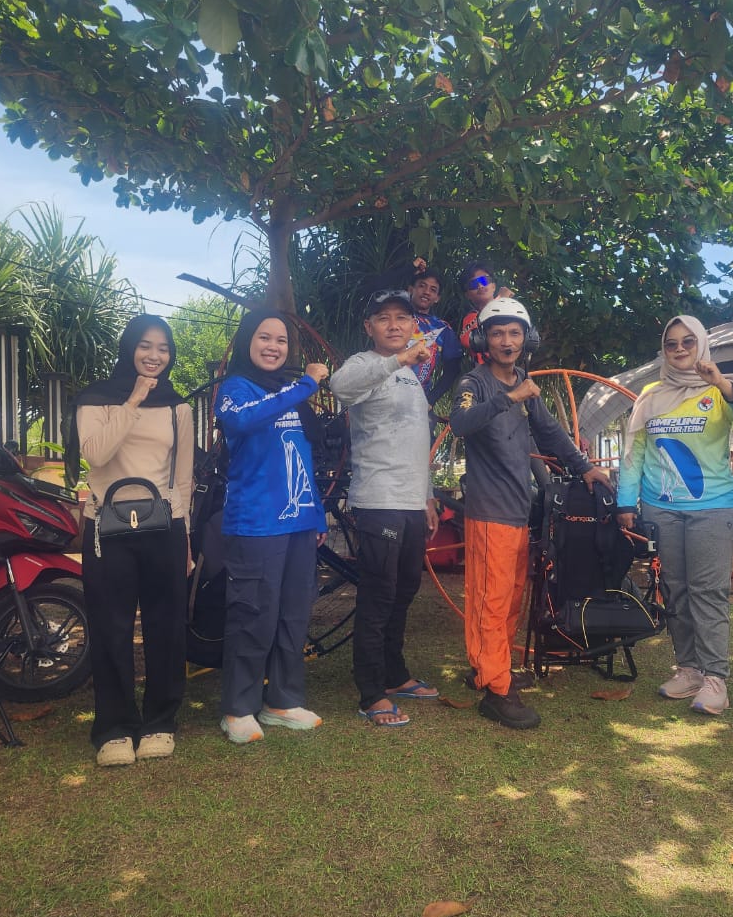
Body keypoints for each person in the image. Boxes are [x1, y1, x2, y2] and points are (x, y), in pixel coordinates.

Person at [449, 297, 609, 729]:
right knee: (491, 600)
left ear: (527, 339)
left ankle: (490, 667)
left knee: (509, 598)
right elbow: (460, 424)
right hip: (489, 512)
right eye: (497, 333)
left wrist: (585, 467)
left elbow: (551, 433)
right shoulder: (474, 383)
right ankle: (496, 690)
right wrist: (509, 398)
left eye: (514, 333)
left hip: (518, 511)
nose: (507, 341)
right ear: (483, 340)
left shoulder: (524, 381)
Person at [616, 315, 733, 715]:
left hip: (710, 508)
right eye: (671, 344)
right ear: (663, 350)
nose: (679, 349)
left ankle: (716, 678)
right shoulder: (651, 395)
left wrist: (722, 384)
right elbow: (634, 453)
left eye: (687, 342)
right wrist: (626, 503)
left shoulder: (723, 387)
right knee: (675, 591)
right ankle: (689, 669)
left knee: (708, 592)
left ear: (701, 345)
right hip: (661, 509)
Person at [69, 314, 193, 767]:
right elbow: (96, 454)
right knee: (111, 627)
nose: (154, 356)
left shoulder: (178, 407)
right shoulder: (96, 399)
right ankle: (114, 727)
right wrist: (135, 398)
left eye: (163, 348)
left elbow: (182, 477)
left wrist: (186, 538)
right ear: (129, 348)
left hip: (164, 526)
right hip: (107, 527)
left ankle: (161, 720)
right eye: (145, 345)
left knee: (166, 626)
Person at [215, 309, 330, 744]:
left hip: (299, 520)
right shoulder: (235, 389)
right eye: (264, 337)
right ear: (248, 340)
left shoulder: (290, 392)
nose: (273, 346)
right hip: (255, 523)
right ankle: (238, 708)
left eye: (281, 340)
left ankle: (282, 700)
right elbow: (243, 420)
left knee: (294, 613)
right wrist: (304, 386)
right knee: (253, 614)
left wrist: (316, 514)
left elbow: (302, 457)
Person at [330, 290, 441, 727]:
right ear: (369, 327)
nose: (394, 325)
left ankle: (394, 676)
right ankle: (371, 692)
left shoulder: (412, 376)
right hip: (378, 500)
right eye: (383, 318)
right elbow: (340, 387)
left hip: (411, 503)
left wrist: (427, 496)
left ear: (413, 325)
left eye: (402, 318)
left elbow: (416, 442)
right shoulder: (364, 365)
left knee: (404, 591)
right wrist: (399, 359)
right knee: (378, 596)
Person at [407, 268, 463, 408]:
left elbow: (453, 369)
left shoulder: (442, 329)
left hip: (417, 403)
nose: (426, 292)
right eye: (422, 286)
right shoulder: (393, 316)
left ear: (437, 298)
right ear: (411, 289)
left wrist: (431, 400)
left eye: (433, 290)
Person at [456, 260, 513, 364]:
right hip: (483, 371)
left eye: (484, 280)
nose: (480, 286)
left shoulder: (510, 310)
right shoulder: (470, 318)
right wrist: (499, 301)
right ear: (467, 295)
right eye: (473, 284)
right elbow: (467, 340)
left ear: (493, 286)